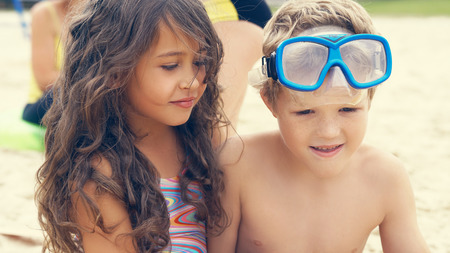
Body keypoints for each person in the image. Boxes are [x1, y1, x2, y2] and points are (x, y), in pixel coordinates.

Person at [208, 0, 430, 252]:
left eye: (347, 109)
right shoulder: (236, 164)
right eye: (305, 112)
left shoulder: (385, 178)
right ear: (270, 102)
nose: (328, 132)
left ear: (369, 99)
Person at [35, 0, 228, 252]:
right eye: (170, 66)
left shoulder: (205, 137)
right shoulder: (101, 174)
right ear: (114, 72)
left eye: (200, 61)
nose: (191, 81)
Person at [22, 0, 81, 125]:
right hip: (44, 102)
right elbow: (44, 80)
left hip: (80, 92)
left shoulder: (104, 14)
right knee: (88, 92)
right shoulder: (44, 13)